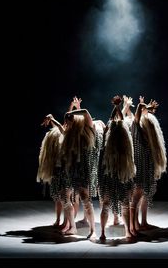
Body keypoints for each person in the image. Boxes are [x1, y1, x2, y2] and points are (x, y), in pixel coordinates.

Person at [44, 105, 97, 239]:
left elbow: (85, 112)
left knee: (85, 199)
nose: (67, 124)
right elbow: (62, 129)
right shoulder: (69, 134)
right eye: (67, 122)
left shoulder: (87, 130)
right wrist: (53, 119)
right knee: (64, 197)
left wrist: (70, 112)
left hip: (82, 171)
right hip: (70, 170)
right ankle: (72, 227)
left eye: (70, 121)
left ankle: (93, 230)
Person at [37, 97, 81, 229]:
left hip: (67, 170)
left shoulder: (72, 134)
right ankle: (59, 220)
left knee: (68, 198)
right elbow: (64, 123)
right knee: (58, 197)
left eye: (68, 120)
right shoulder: (65, 131)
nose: (66, 122)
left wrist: (52, 118)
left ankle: (68, 223)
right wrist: (71, 106)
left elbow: (62, 127)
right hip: (57, 169)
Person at [98, 95, 136, 240]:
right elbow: (119, 121)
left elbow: (113, 122)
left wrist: (116, 106)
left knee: (106, 205)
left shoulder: (107, 141)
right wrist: (118, 106)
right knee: (124, 205)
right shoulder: (125, 145)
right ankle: (126, 232)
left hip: (111, 175)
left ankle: (102, 233)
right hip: (121, 174)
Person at [128, 95, 167, 235]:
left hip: (146, 168)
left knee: (143, 195)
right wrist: (146, 107)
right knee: (136, 196)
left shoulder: (146, 136)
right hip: (138, 169)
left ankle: (140, 224)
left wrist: (148, 110)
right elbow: (138, 109)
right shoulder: (136, 127)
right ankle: (133, 227)